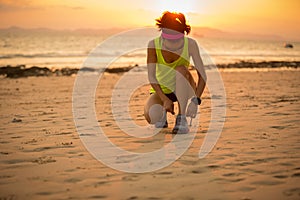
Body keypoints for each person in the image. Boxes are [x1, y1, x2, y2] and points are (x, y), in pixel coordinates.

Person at [144, 11, 206, 134]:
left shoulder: (191, 44)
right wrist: (164, 99)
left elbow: (202, 75)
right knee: (152, 116)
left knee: (181, 69)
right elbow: (151, 76)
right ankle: (163, 114)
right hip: (163, 90)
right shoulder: (153, 45)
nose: (173, 44)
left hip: (184, 87)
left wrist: (196, 100)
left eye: (177, 40)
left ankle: (181, 117)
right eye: (170, 40)